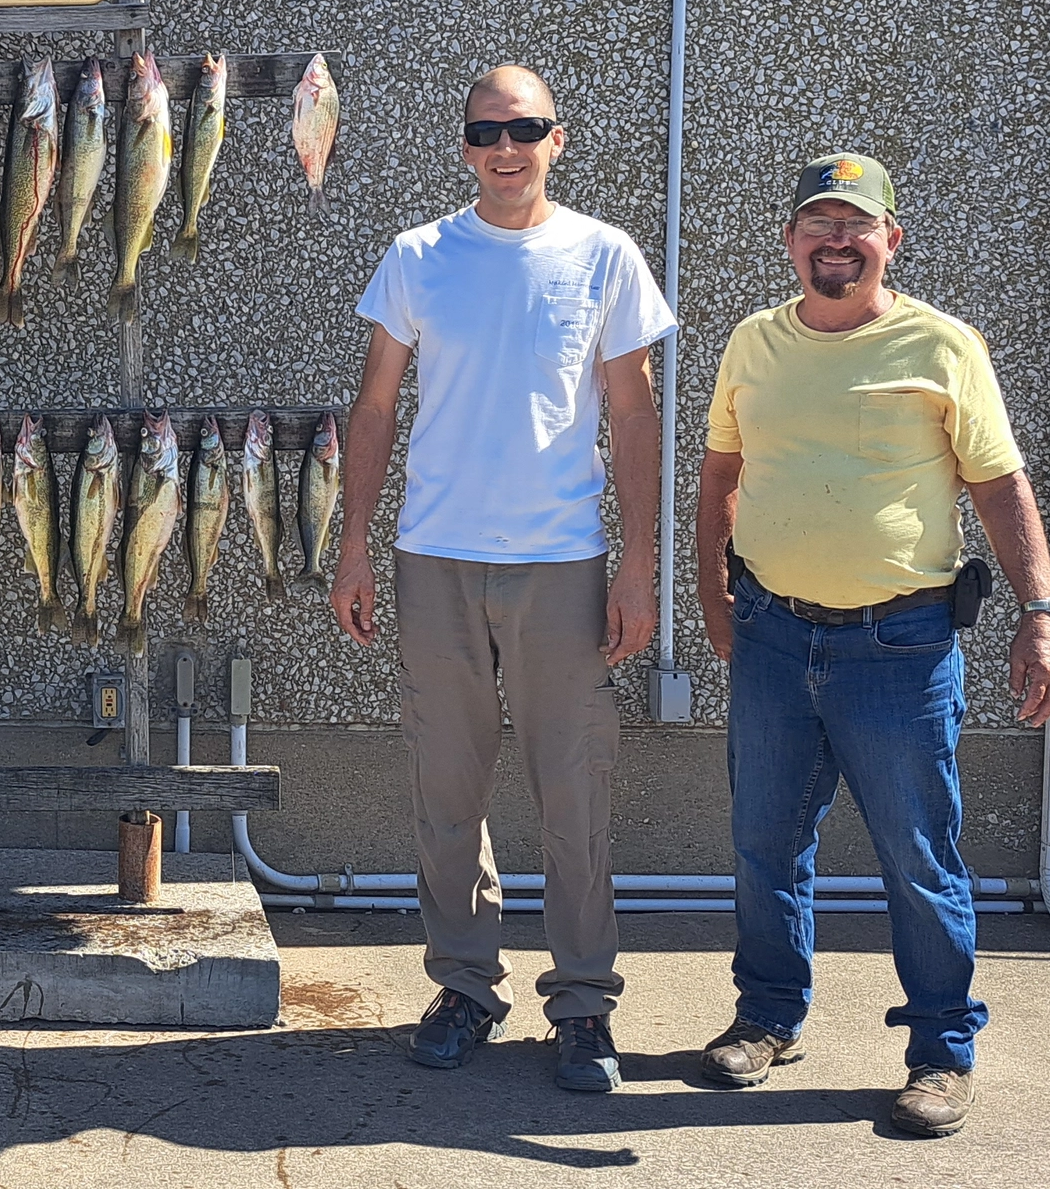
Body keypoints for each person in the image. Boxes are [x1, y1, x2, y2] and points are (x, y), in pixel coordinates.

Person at [693, 153, 1050, 1137]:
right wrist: (712, 595)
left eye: (857, 224)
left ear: (890, 240)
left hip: (900, 647)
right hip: (774, 635)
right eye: (817, 222)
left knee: (918, 854)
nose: (836, 239)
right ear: (790, 240)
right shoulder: (754, 343)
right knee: (766, 842)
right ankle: (769, 1018)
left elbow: (999, 486)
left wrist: (1042, 611)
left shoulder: (943, 347)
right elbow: (720, 472)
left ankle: (942, 1050)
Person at [329, 64, 676, 1092]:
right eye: (487, 130)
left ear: (557, 139)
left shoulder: (604, 255)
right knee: (447, 787)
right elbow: (377, 407)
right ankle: (467, 985)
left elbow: (633, 416)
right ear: (466, 143)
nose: (506, 146)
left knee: (575, 793)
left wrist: (639, 569)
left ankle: (581, 1004)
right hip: (434, 557)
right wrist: (354, 542)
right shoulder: (418, 257)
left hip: (562, 562)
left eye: (525, 127)